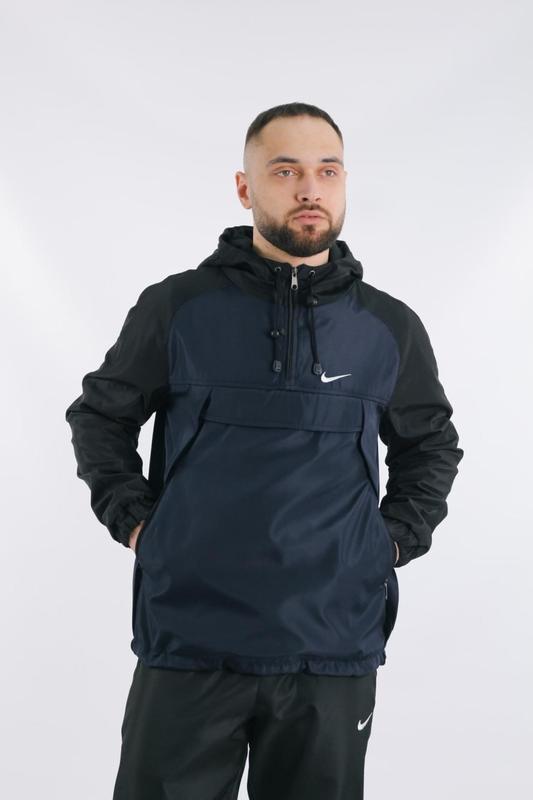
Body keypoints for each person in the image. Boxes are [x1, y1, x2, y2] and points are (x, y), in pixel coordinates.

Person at [65, 101, 464, 800]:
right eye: (285, 171)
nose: (310, 188)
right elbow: (101, 416)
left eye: (327, 171)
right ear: (245, 188)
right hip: (190, 635)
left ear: (344, 182)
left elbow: (430, 443)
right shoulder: (177, 308)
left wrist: (389, 542)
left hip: (331, 642)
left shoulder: (387, 326)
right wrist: (138, 524)